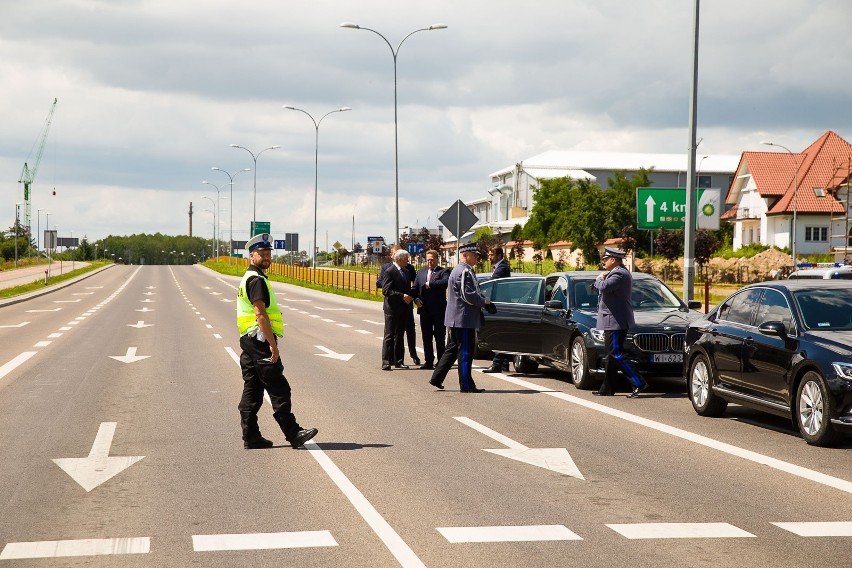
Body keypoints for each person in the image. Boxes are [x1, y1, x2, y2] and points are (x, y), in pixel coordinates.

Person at [236, 233, 318, 449]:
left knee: (252, 390)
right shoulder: (256, 280)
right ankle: (294, 433)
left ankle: (251, 436)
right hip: (259, 339)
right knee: (279, 388)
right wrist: (272, 345)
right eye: (261, 254)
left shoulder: (249, 277)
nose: (265, 257)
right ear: (251, 255)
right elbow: (260, 313)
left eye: (268, 253)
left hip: (249, 340)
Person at [429, 242, 493, 393]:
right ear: (465, 256)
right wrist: (484, 301)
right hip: (463, 318)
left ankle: (437, 378)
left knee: (452, 349)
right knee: (465, 352)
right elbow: (468, 295)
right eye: (474, 255)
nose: (477, 258)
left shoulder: (461, 270)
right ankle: (466, 385)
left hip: (458, 317)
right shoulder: (464, 271)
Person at [591, 246, 649, 398]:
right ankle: (607, 388)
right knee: (611, 355)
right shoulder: (615, 272)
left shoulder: (619, 273)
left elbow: (604, 287)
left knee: (616, 354)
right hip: (612, 320)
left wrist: (599, 278)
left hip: (616, 320)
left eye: (605, 259)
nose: (603, 262)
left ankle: (639, 382)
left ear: (613, 260)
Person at [377, 246, 420, 366]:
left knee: (400, 335)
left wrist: (413, 297)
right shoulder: (389, 271)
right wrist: (402, 296)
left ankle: (399, 360)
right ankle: (386, 361)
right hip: (392, 308)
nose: (408, 261)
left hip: (404, 308)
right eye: (406, 259)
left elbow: (408, 289)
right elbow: (386, 291)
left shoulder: (406, 271)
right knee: (389, 335)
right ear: (400, 259)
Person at [413, 249, 449, 370]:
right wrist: (416, 299)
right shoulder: (421, 272)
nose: (429, 262)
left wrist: (430, 284)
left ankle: (441, 362)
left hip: (439, 311)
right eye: (427, 260)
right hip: (424, 310)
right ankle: (428, 361)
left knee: (439, 337)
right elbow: (415, 289)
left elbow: (445, 283)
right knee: (426, 336)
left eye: (432, 260)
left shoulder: (443, 271)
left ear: (436, 260)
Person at [482, 246, 512, 373]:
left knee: (498, 333)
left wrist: (482, 289)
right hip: (499, 303)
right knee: (502, 333)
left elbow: (492, 282)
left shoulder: (502, 268)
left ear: (499, 255)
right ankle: (504, 363)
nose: (490, 257)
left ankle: (497, 363)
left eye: (492, 254)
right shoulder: (497, 267)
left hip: (501, 304)